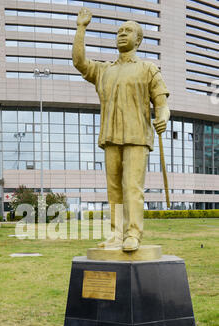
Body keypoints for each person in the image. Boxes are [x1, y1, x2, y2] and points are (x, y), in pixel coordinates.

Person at [73, 8, 170, 251]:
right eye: (119, 31)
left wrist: (163, 118)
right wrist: (81, 28)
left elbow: (162, 103)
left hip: (137, 137)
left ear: (138, 40)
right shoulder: (104, 70)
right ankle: (117, 234)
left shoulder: (148, 68)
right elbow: (79, 62)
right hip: (110, 137)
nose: (121, 34)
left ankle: (133, 233)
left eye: (127, 31)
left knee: (132, 187)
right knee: (114, 188)